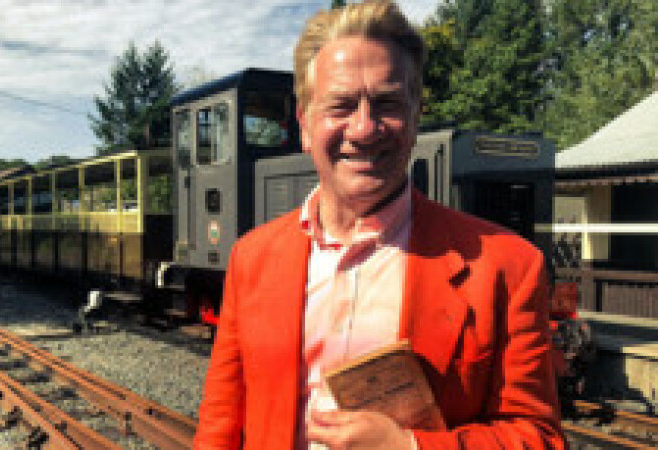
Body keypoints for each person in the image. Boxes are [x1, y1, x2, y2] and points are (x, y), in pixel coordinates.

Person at [194, 1, 565, 449]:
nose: (365, 128)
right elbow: (220, 426)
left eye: (387, 104)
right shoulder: (252, 258)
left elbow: (540, 438)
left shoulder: (507, 267)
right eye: (341, 106)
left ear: (415, 115)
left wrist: (409, 447)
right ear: (305, 125)